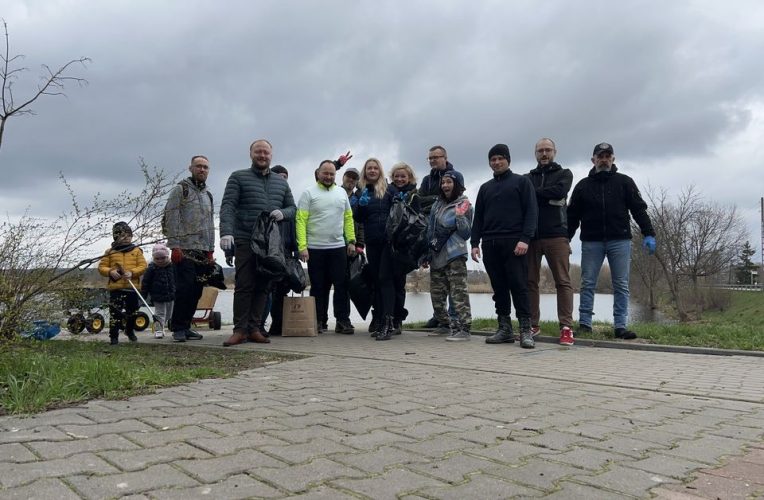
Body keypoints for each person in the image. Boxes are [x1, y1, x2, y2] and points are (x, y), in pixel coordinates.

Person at [567, 142, 656, 340]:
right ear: (593, 160)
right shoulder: (582, 186)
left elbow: (639, 210)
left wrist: (649, 233)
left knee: (621, 284)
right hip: (592, 242)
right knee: (588, 283)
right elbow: (572, 216)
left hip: (620, 240)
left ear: (613, 159)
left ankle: (620, 326)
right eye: (600, 156)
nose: (604, 159)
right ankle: (585, 324)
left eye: (608, 156)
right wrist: (566, 239)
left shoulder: (625, 182)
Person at [219, 139, 296, 346]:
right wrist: (226, 232)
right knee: (244, 285)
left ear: (271, 155)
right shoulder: (238, 177)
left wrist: (284, 213)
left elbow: (293, 208)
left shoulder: (281, 183)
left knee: (264, 286)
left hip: (270, 243)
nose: (262, 155)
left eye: (266, 152)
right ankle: (239, 330)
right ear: (251, 154)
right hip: (245, 238)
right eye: (258, 152)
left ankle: (254, 328)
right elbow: (228, 206)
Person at [471, 144, 538, 348]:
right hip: (490, 243)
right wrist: (474, 243)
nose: (497, 162)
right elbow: (479, 218)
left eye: (500, 158)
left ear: (508, 160)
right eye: (493, 159)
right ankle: (505, 328)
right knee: (499, 288)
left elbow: (531, 212)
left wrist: (525, 238)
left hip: (514, 242)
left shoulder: (522, 182)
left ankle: (525, 330)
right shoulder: (485, 188)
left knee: (519, 286)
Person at [296, 160, 357, 334]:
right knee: (318, 286)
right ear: (318, 173)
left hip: (338, 247)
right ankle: (318, 320)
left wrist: (351, 240)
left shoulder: (341, 193)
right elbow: (300, 220)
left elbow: (348, 218)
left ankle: (343, 321)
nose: (329, 176)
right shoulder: (308, 193)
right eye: (326, 173)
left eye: (332, 174)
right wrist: (302, 246)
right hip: (314, 248)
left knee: (341, 285)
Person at [526, 138, 575, 346]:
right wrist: (544, 196)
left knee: (562, 281)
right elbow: (525, 197)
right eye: (540, 151)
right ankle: (531, 324)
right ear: (535, 154)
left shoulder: (565, 174)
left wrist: (534, 194)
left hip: (557, 235)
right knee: (530, 282)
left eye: (547, 150)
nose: (544, 154)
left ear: (554, 152)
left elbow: (560, 191)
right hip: (532, 236)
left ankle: (566, 327)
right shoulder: (528, 177)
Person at [162, 155, 215, 343]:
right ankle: (177, 327)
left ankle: (186, 326)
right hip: (184, 249)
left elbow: (210, 223)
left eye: (205, 167)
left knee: (197, 291)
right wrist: (174, 246)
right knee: (184, 289)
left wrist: (211, 250)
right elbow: (171, 217)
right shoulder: (181, 190)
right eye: (199, 166)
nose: (202, 170)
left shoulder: (208, 195)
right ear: (190, 168)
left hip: (202, 251)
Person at [422, 170, 473, 341]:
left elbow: (466, 233)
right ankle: (444, 325)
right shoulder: (437, 204)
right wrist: (427, 252)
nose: (445, 185)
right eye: (443, 182)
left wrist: (460, 216)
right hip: (437, 255)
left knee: (458, 293)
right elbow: (431, 229)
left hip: (455, 254)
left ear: (457, 184)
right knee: (436, 294)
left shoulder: (465, 204)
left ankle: (464, 328)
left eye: (449, 182)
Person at [375, 162, 421, 341]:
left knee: (398, 284)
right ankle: (386, 320)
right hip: (388, 244)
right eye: (397, 176)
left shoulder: (414, 195)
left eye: (403, 176)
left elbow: (418, 222)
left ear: (409, 178)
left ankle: (397, 322)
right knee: (385, 279)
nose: (400, 179)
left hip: (404, 247)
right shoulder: (388, 193)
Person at [419, 145, 457, 331]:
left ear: (445, 157)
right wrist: (434, 200)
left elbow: (452, 199)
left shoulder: (454, 175)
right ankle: (439, 316)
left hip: (450, 234)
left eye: (436, 157)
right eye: (430, 158)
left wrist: (434, 200)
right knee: (438, 279)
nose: (433, 161)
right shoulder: (427, 180)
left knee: (452, 280)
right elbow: (420, 200)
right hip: (432, 229)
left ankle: (454, 316)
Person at [98, 222, 147, 345]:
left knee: (133, 312)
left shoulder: (136, 251)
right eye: (123, 235)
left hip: (132, 287)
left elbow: (143, 266)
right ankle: (113, 337)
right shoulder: (110, 252)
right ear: (116, 237)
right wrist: (110, 271)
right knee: (115, 313)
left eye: (129, 235)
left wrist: (132, 272)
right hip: (116, 288)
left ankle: (130, 331)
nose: (126, 238)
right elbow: (101, 267)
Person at [354, 158, 388, 336]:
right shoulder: (361, 191)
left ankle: (388, 319)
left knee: (385, 279)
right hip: (372, 241)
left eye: (375, 168)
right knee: (376, 279)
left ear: (380, 171)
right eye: (369, 168)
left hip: (388, 242)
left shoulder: (387, 189)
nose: (372, 171)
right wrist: (360, 205)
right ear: (365, 171)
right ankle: (379, 317)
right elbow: (357, 218)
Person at [140, 243, 176, 339]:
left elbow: (177, 280)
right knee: (160, 314)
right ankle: (158, 330)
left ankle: (164, 325)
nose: (160, 261)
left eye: (162, 258)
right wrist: (143, 294)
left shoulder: (172, 267)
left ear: (167, 256)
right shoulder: (151, 268)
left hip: (171, 294)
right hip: (157, 295)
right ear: (154, 258)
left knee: (169, 313)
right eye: (157, 259)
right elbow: (145, 282)